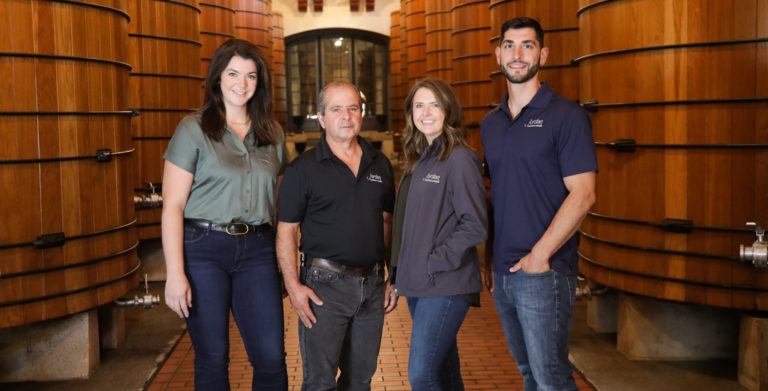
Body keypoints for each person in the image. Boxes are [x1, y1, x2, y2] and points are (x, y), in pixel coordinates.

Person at [161, 38, 288, 390]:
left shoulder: (274, 134)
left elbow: (279, 203)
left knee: (270, 357)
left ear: (259, 82)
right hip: (203, 249)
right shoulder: (193, 129)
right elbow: (172, 205)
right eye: (233, 73)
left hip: (259, 251)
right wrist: (174, 274)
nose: (241, 84)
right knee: (213, 357)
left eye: (250, 76)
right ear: (217, 77)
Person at [481, 17, 598, 391]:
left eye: (527, 46)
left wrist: (539, 256)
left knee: (551, 377)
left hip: (545, 271)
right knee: (528, 372)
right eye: (510, 45)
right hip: (503, 271)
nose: (517, 55)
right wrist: (488, 259)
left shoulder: (567, 116)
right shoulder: (491, 123)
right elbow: (498, 193)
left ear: (543, 54)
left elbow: (584, 194)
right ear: (498, 53)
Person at [276, 81, 398, 391]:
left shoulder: (379, 164)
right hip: (324, 288)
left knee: (360, 381)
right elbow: (287, 230)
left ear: (361, 113)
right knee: (320, 382)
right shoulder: (302, 170)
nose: (346, 116)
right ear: (321, 117)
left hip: (372, 288)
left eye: (353, 108)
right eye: (336, 109)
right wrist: (293, 286)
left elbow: (387, 222)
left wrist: (391, 277)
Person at [390, 78, 487, 390]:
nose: (426, 112)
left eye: (434, 104)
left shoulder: (459, 158)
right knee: (444, 370)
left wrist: (435, 260)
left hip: (444, 282)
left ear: (448, 111)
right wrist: (397, 275)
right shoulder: (421, 158)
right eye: (419, 105)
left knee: (421, 374)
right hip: (419, 283)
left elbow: (475, 223)